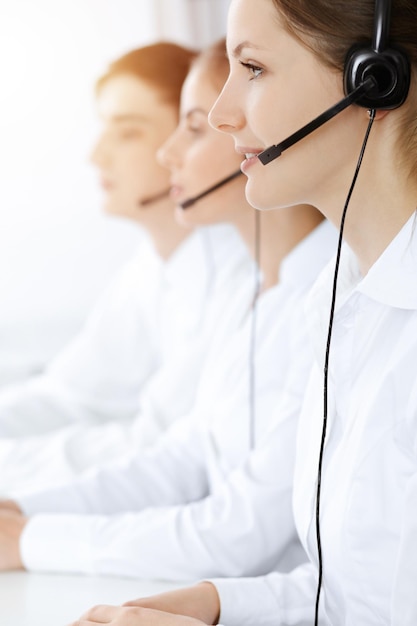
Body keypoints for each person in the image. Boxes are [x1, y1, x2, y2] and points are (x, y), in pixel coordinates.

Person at [66, 0, 417, 624]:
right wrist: (220, 604)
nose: (226, 115)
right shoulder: (346, 305)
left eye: (252, 68)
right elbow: (350, 595)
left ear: (374, 77)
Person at [0, 38, 337, 587]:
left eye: (196, 128)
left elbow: (238, 530)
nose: (168, 153)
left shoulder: (324, 304)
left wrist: (33, 536)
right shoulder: (253, 295)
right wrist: (22, 512)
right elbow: (182, 457)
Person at [0, 43, 253, 495]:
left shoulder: (243, 273)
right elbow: (73, 393)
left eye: (128, 133)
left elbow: (156, 446)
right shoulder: (150, 268)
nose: (97, 156)